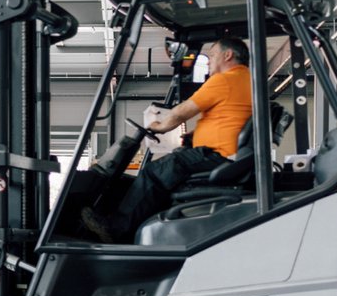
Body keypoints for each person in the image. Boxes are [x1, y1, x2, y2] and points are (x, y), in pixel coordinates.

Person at [81, 37, 252, 243]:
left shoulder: (225, 79)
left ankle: (116, 230)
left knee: (156, 172)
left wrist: (160, 126)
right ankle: (140, 222)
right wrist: (194, 135)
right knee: (169, 168)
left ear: (228, 55)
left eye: (213, 55)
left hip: (218, 154)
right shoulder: (247, 79)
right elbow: (230, 116)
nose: (208, 60)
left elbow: (181, 112)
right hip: (226, 153)